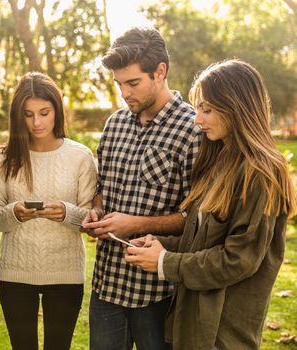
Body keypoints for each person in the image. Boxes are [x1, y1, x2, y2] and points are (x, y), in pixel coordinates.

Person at [125, 59, 296, 349]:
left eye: (207, 110)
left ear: (236, 108)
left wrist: (166, 262)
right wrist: (161, 244)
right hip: (193, 325)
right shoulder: (219, 161)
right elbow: (203, 240)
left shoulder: (261, 173)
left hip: (223, 333)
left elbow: (237, 260)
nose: (196, 119)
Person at [81, 27, 201, 350]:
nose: (124, 93)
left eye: (132, 83)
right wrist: (97, 211)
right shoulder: (114, 124)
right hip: (106, 287)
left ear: (160, 72)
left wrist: (135, 224)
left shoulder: (194, 131)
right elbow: (102, 189)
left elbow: (194, 219)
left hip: (158, 292)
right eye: (119, 84)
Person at [0, 72, 97, 350]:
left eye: (44, 113)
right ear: (18, 116)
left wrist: (65, 212)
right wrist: (14, 212)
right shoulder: (3, 159)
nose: (37, 122)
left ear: (57, 111)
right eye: (28, 114)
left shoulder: (80, 156)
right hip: (15, 273)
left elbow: (90, 219)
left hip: (66, 273)